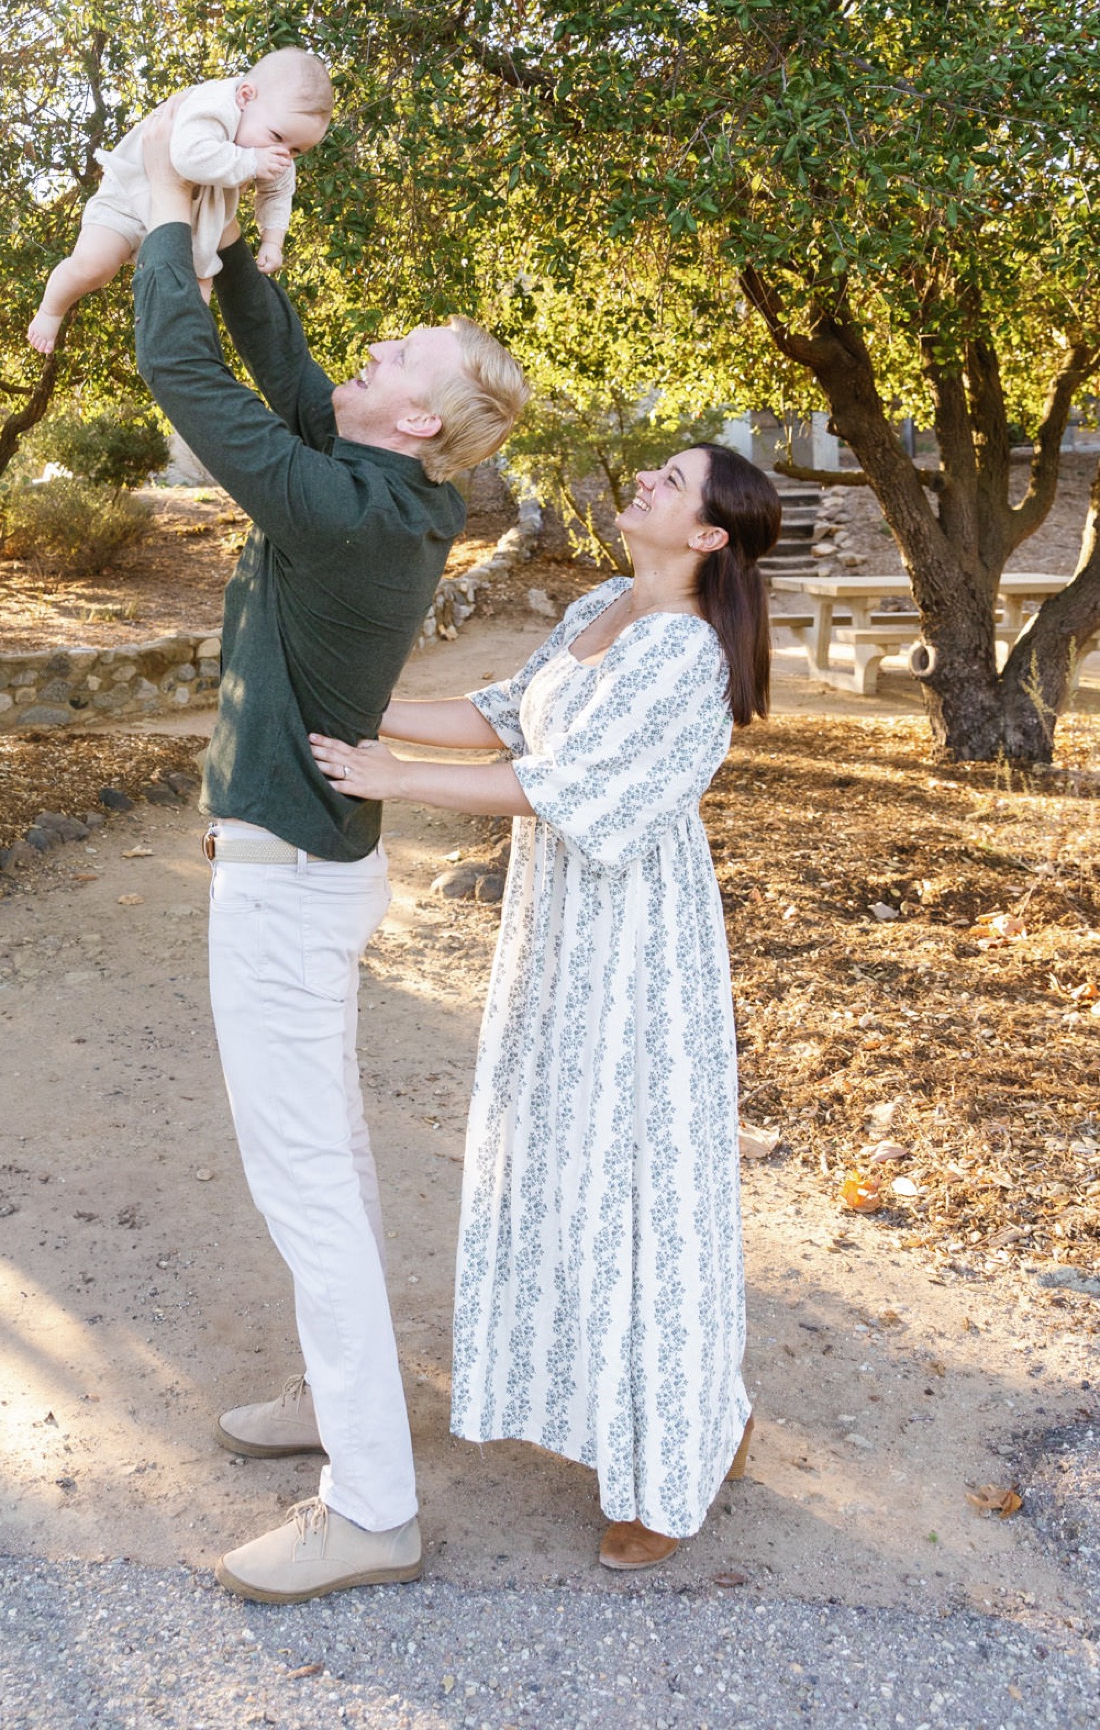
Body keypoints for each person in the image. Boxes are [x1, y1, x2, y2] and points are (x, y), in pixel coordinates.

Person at [131, 100, 529, 1604]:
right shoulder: (377, 485)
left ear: (422, 419)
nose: (368, 360)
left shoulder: (356, 515)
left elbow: (186, 376)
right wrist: (251, 256)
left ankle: (373, 1505)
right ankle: (334, 1401)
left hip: (290, 884)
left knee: (303, 1175)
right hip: (312, 869)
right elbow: (286, 377)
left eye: (397, 360)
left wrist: (172, 211)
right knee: (335, 1160)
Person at [309, 444, 782, 1570]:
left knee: (644, 1186)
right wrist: (366, 709)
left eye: (675, 482)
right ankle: (660, 1409)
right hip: (563, 929)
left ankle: (681, 1454)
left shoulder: (687, 654)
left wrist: (395, 780)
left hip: (638, 943)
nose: (651, 485)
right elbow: (507, 716)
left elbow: (557, 788)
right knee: (560, 1163)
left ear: (710, 535)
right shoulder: (604, 602)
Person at [27, 47, 333, 349]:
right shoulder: (213, 105)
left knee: (195, 300)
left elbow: (280, 191)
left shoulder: (271, 137)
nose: (283, 154)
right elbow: (187, 156)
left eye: (296, 150)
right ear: (245, 96)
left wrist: (272, 241)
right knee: (95, 265)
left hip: (191, 224)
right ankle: (51, 309)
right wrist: (251, 160)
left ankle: (184, 358)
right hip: (131, 199)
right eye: (277, 138)